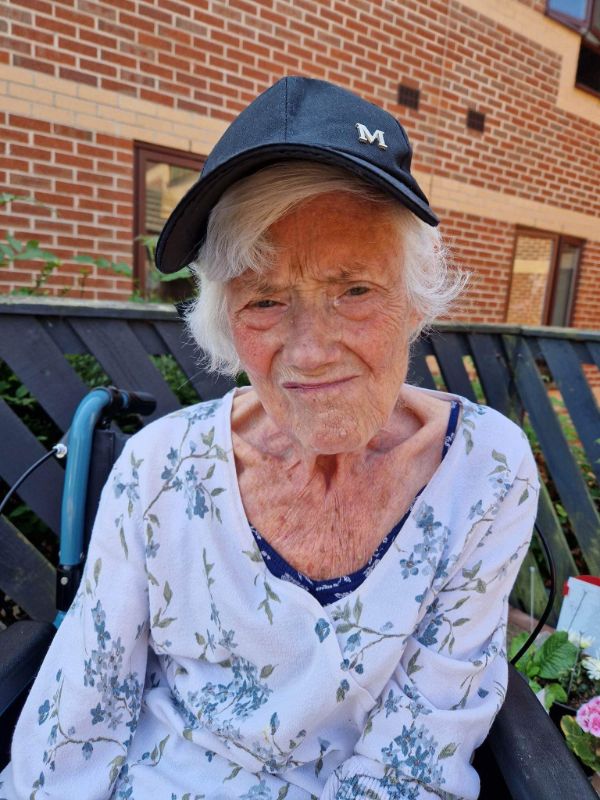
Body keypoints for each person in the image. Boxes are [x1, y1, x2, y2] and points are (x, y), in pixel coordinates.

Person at [0, 77, 539, 800]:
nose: (310, 351)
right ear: (226, 322)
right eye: (264, 300)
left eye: (354, 290)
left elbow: (414, 761)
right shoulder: (160, 467)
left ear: (415, 301)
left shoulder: (484, 471)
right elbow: (76, 721)